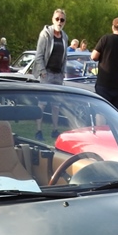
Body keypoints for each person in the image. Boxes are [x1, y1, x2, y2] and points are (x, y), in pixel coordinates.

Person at [33, 9, 68, 139]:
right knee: (42, 103)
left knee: (56, 105)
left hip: (58, 74)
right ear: (53, 20)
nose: (59, 22)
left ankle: (55, 130)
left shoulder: (65, 37)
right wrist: (42, 72)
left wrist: (63, 72)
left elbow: (65, 57)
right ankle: (38, 131)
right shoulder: (45, 34)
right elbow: (39, 55)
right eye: (57, 19)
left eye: (62, 20)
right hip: (47, 73)